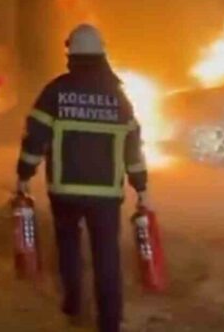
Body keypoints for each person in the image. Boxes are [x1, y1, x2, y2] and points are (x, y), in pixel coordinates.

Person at [16, 24, 148, 332]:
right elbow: (133, 149)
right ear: (101, 54)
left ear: (71, 54)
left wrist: (24, 174)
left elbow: (34, 138)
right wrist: (141, 187)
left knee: (68, 247)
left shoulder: (56, 91)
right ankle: (110, 323)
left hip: (65, 190)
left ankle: (74, 305)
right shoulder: (119, 99)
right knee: (107, 257)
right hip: (106, 194)